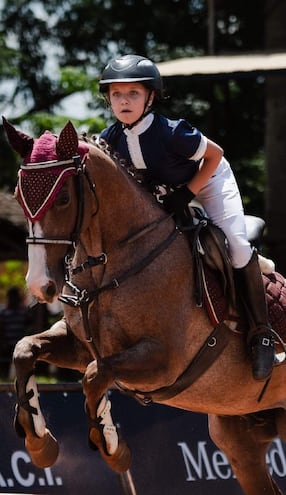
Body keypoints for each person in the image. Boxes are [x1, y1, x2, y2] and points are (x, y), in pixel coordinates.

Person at [98, 54, 275, 382]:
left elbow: (215, 154)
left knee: (236, 245)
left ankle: (261, 334)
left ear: (150, 97)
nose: (124, 101)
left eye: (133, 93)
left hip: (209, 181)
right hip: (166, 194)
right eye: (117, 94)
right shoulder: (111, 139)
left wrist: (187, 192)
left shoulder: (171, 132)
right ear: (108, 99)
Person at [0, 286, 32, 379]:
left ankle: (21, 378)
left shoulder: (23, 312)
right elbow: (1, 329)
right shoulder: (4, 312)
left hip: (20, 343)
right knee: (5, 364)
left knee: (21, 363)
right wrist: (3, 342)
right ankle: (4, 378)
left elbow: (28, 326)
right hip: (8, 343)